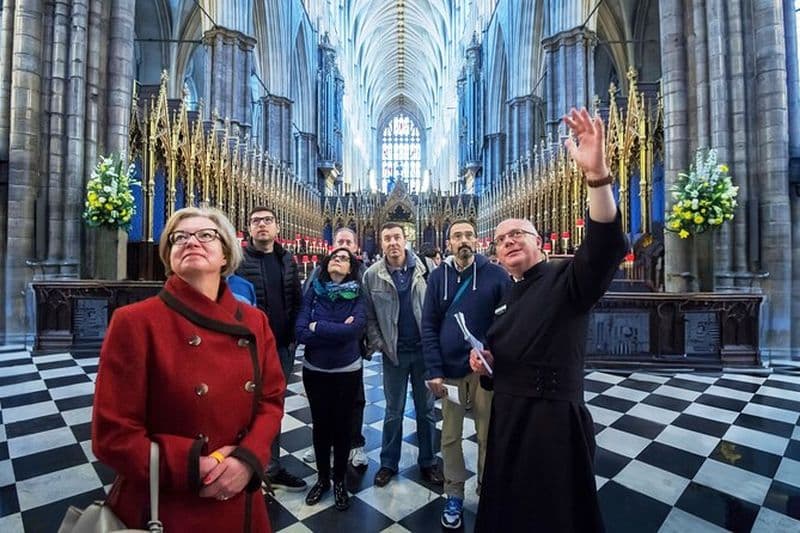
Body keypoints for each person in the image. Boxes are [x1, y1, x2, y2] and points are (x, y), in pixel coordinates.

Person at [471, 108, 629, 532]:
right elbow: (508, 359)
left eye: (517, 234)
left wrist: (597, 177)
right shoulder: (508, 294)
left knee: (553, 516)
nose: (508, 242)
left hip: (552, 427)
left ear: (539, 243)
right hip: (509, 423)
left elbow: (604, 246)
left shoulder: (565, 277)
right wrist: (486, 362)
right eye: (501, 240)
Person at [92, 207, 285, 531]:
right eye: (179, 238)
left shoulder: (254, 321)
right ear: (169, 256)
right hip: (167, 503)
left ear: (226, 254)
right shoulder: (135, 321)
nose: (191, 241)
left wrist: (247, 460)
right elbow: (112, 434)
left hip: (238, 499)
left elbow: (271, 400)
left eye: (205, 235)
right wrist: (193, 466)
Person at [421, 219, 510, 529]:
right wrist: (434, 369)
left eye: (468, 235)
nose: (463, 240)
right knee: (450, 436)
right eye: (457, 236)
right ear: (448, 243)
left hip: (484, 371)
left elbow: (507, 323)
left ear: (478, 239)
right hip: (450, 372)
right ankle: (454, 493)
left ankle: (487, 490)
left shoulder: (496, 275)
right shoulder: (437, 277)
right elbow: (429, 325)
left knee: (488, 435)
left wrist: (490, 352)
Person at [363, 223, 444, 487]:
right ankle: (388, 463)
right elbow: (369, 316)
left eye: (397, 237)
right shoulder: (372, 274)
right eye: (387, 238)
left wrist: (436, 347)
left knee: (426, 410)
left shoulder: (427, 268)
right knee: (393, 411)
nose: (393, 242)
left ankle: (429, 462)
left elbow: (438, 308)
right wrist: (380, 343)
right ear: (381, 242)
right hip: (394, 354)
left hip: (423, 352)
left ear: (405, 239)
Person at [237, 206, 306, 492]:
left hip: (282, 347)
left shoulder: (287, 259)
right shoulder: (237, 261)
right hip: (247, 349)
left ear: (277, 228)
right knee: (243, 408)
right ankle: (243, 464)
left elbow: (297, 300)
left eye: (267, 221)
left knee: (272, 406)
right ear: (249, 229)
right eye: (256, 222)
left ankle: (271, 466)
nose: (262, 225)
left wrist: (295, 336)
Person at [295, 248, 366, 511]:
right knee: (321, 425)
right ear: (327, 264)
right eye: (335, 257)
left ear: (351, 268)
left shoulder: (358, 292)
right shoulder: (314, 290)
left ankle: (339, 481)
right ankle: (322, 479)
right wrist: (332, 329)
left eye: (345, 258)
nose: (339, 260)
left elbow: (354, 330)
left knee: (343, 427)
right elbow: (301, 331)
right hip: (315, 369)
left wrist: (319, 326)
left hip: (347, 369)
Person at [301, 227, 370, 469]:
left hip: (352, 350)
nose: (343, 244)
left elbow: (364, 316)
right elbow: (304, 314)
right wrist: (333, 329)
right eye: (339, 240)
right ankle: (324, 443)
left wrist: (318, 327)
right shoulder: (318, 275)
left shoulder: (363, 274)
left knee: (355, 399)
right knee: (323, 402)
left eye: (348, 241)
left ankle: (355, 443)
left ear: (355, 245)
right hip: (319, 355)